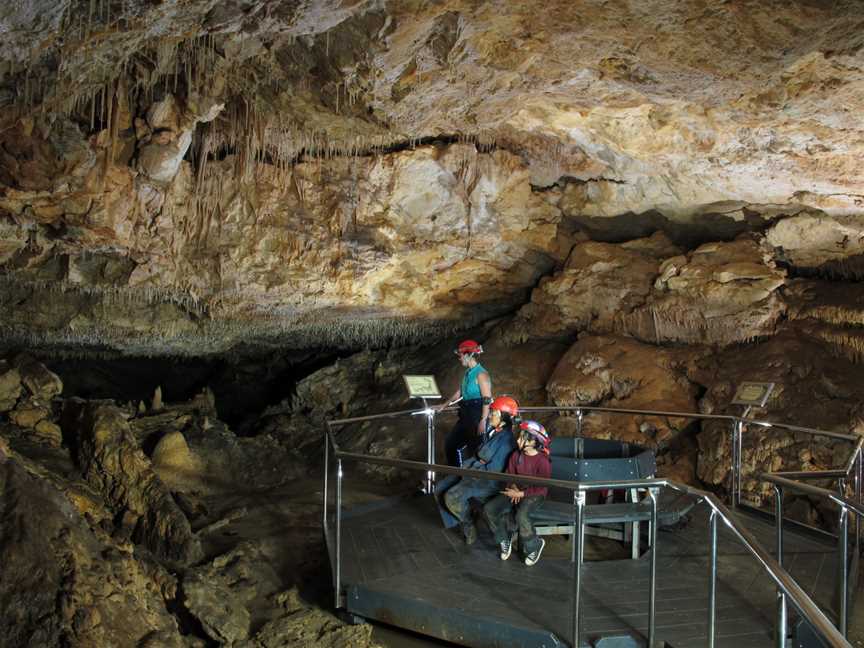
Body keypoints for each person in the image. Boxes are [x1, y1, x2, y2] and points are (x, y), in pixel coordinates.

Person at [437, 396, 519, 544]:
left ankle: (468, 523)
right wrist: (465, 468)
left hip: (487, 481)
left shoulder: (506, 441)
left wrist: (469, 471)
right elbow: (478, 455)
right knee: (440, 487)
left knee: (451, 496)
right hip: (474, 472)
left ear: (504, 417)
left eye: (494, 413)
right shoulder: (494, 432)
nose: (490, 415)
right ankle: (461, 519)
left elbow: (493, 469)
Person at [482, 420, 551, 566]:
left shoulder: (542, 461)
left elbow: (542, 487)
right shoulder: (516, 455)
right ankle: (503, 538)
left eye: (522, 438)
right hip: (515, 491)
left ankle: (534, 544)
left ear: (532, 441)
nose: (518, 440)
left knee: (521, 515)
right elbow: (509, 474)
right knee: (489, 509)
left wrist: (521, 495)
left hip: (534, 494)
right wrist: (513, 487)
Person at [440, 339, 492, 466]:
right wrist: (444, 405)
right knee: (451, 444)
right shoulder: (468, 373)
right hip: (466, 415)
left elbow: (487, 398)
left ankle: (473, 481)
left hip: (477, 415)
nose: (459, 358)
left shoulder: (481, 374)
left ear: (469, 355)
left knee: (475, 450)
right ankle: (457, 475)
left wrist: (483, 420)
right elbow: (460, 392)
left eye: (461, 355)